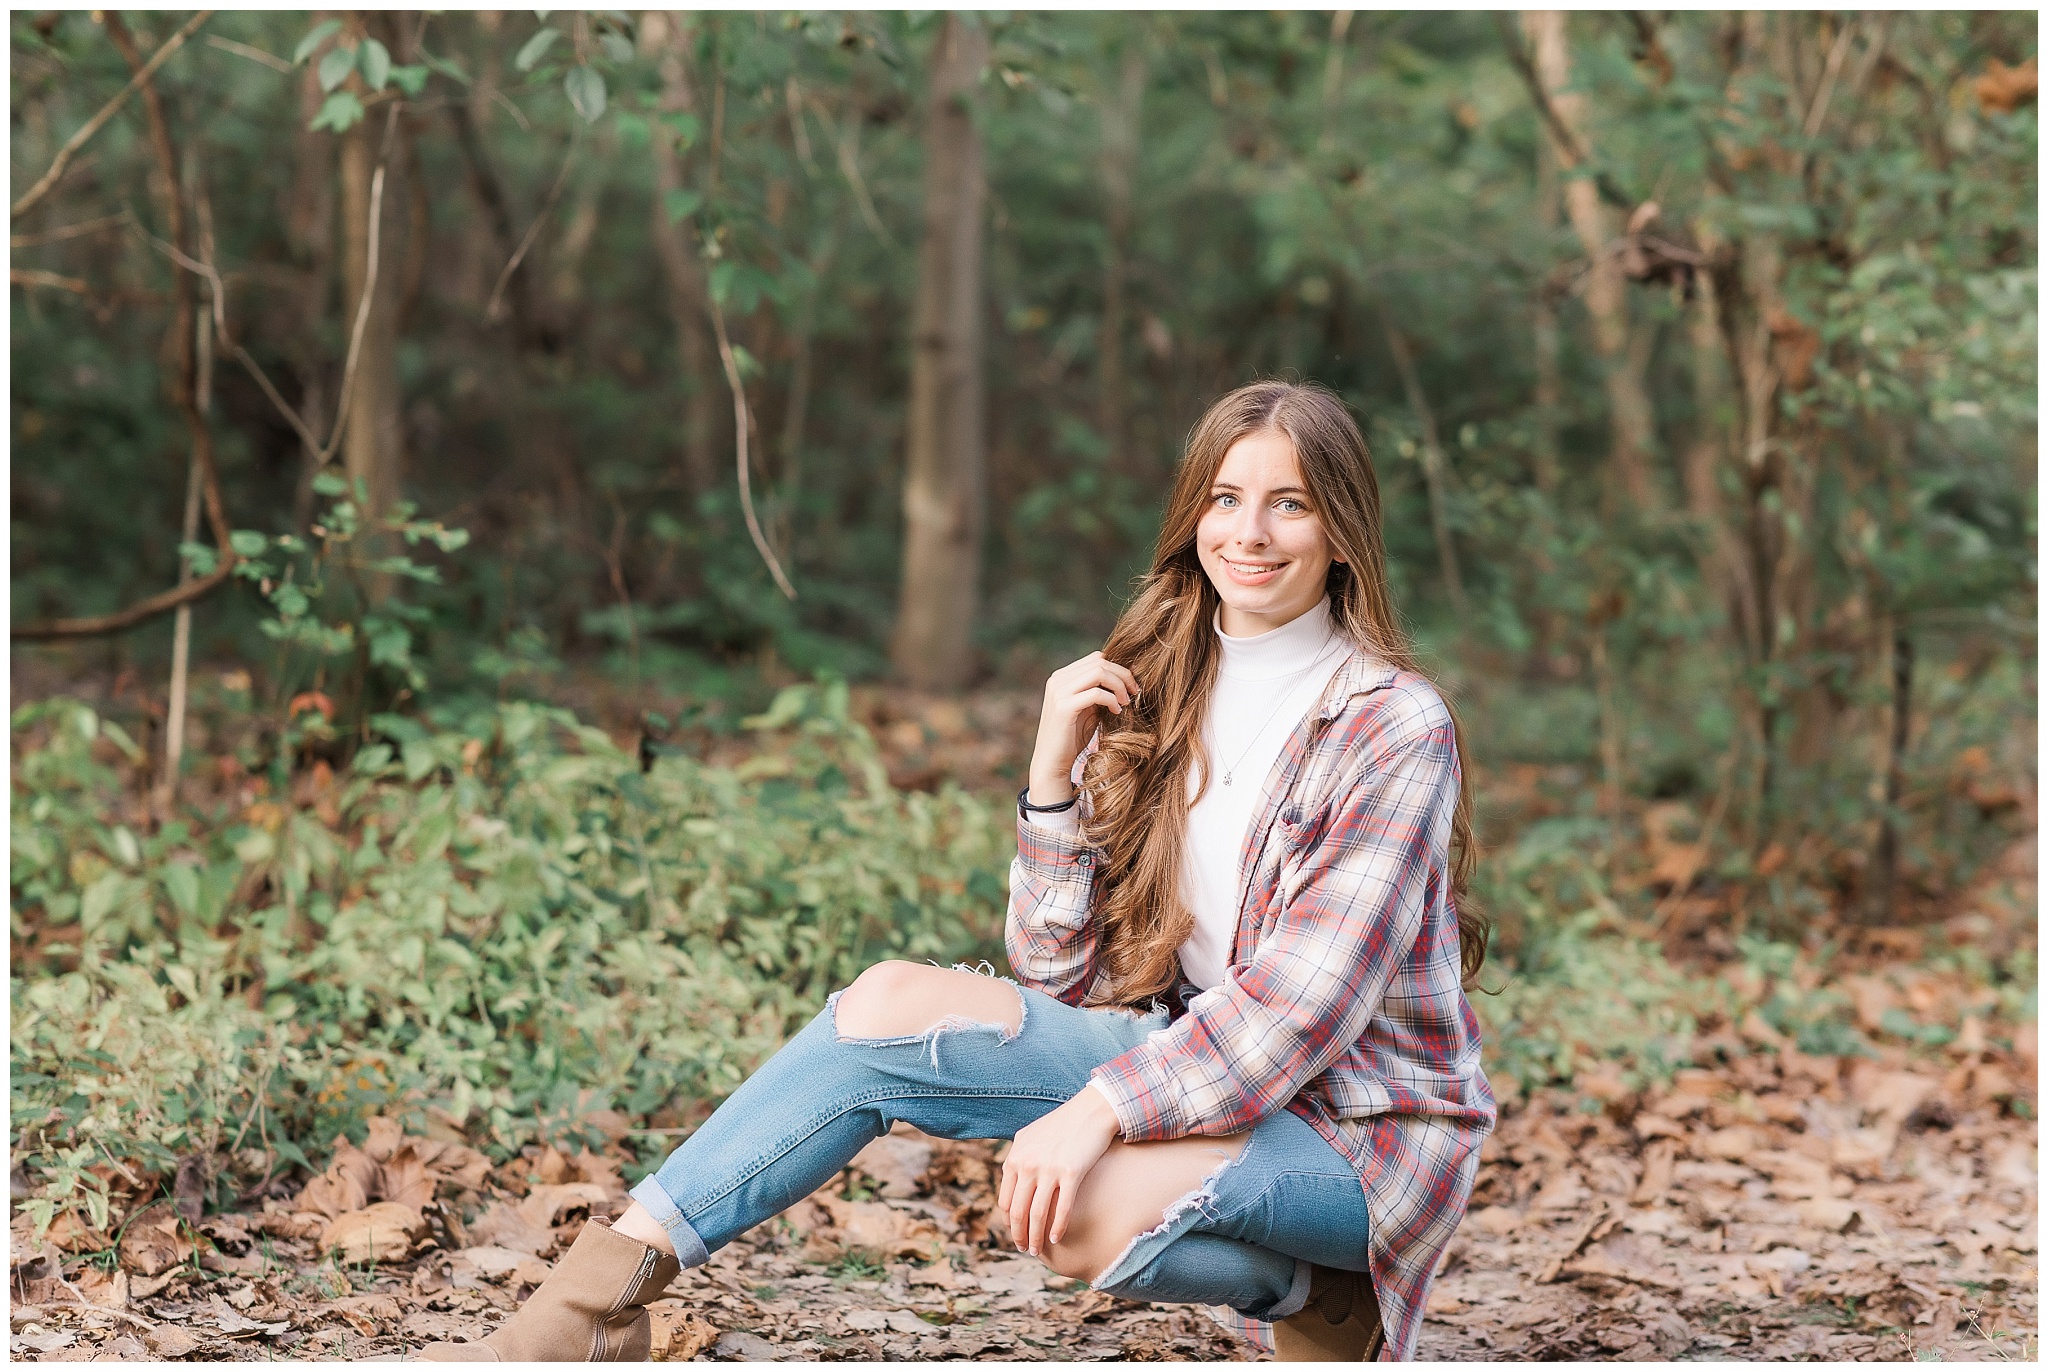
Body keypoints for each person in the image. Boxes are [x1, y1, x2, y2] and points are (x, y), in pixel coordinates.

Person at [418, 380, 1495, 1363]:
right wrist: (1050, 780)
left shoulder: (1391, 726)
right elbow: (1059, 972)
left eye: (1289, 504)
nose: (1248, 533)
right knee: (885, 1005)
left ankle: (1326, 1295)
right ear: (1192, 516)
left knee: (1077, 1212)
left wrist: (1096, 1110)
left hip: (1356, 1132)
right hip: (1198, 1067)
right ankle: (587, 1310)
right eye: (1224, 498)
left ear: (1340, 532)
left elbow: (1299, 1014)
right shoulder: (1159, 688)